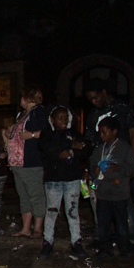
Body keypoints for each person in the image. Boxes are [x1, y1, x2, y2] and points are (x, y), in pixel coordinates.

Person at [82, 78, 134, 248]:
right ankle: (102, 237)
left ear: (104, 92)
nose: (94, 101)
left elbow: (133, 134)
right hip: (101, 163)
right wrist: (88, 167)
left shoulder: (121, 108)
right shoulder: (93, 115)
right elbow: (92, 144)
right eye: (90, 99)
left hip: (120, 161)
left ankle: (131, 238)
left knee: (124, 202)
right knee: (100, 202)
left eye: (96, 97)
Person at [38, 106, 88, 259]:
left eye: (66, 118)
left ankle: (76, 242)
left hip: (72, 178)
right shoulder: (46, 134)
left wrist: (71, 151)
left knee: (72, 211)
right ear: (52, 119)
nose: (64, 121)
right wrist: (70, 145)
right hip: (53, 179)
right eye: (60, 118)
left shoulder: (73, 133)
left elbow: (86, 148)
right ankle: (47, 241)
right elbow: (47, 148)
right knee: (51, 211)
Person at [88, 117, 134, 258]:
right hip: (102, 193)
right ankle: (105, 248)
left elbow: (133, 169)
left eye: (105, 132)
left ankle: (124, 248)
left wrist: (118, 168)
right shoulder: (99, 149)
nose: (102, 135)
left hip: (119, 193)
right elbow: (91, 166)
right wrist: (94, 169)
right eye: (100, 133)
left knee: (121, 223)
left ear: (115, 131)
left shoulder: (124, 148)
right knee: (103, 223)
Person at [8, 86, 47, 238]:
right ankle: (26, 228)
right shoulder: (22, 114)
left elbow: (48, 132)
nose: (21, 101)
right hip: (17, 162)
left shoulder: (39, 112)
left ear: (29, 98)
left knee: (35, 195)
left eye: (22, 97)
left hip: (31, 161)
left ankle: (37, 228)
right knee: (23, 195)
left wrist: (31, 135)